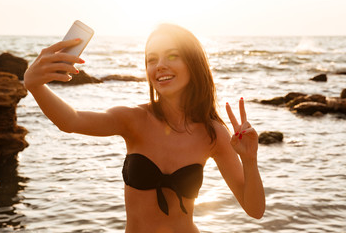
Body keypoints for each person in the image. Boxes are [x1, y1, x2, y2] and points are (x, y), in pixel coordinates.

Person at [24, 23, 265, 233]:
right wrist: (35, 86)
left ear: (193, 63)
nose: (159, 65)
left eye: (172, 56)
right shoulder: (133, 119)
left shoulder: (213, 133)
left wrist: (250, 160)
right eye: (152, 59)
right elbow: (72, 121)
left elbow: (254, 210)